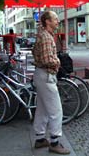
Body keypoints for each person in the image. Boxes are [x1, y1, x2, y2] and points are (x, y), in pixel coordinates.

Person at [32, 11, 70, 155]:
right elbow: (48, 59)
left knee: (42, 109)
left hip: (40, 74)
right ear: (47, 21)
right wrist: (58, 61)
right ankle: (54, 142)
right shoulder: (47, 37)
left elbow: (35, 53)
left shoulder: (41, 35)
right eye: (55, 19)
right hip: (46, 76)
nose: (57, 21)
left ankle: (40, 138)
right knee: (56, 110)